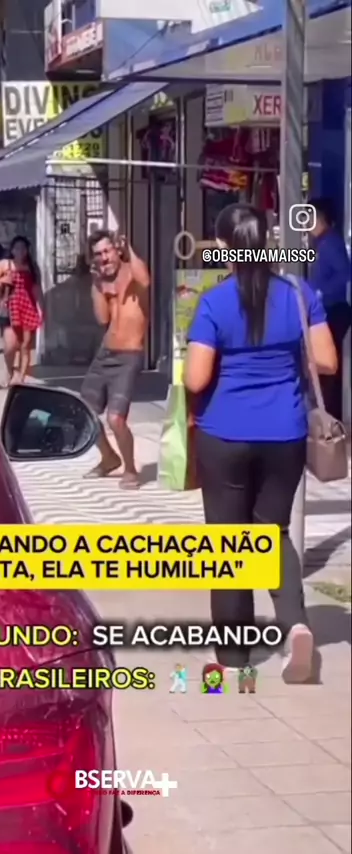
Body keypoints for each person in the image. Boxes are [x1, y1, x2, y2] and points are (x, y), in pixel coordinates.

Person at [184, 203, 338, 684]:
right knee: (272, 531)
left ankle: (234, 657)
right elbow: (327, 361)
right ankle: (295, 625)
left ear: (223, 246)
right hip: (285, 434)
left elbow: (195, 378)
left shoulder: (215, 302)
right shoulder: (299, 293)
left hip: (224, 434)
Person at [81, 230, 150, 490]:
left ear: (116, 250)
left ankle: (130, 470)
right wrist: (96, 283)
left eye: (107, 251)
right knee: (83, 412)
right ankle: (109, 457)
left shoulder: (133, 272)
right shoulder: (102, 282)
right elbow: (102, 319)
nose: (104, 257)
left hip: (129, 356)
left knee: (115, 419)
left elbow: (145, 280)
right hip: (105, 354)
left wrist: (129, 247)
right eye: (98, 254)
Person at [308, 198, 351, 421]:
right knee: (326, 369)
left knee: (328, 368)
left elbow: (345, 273)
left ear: (320, 218)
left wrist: (319, 292)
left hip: (333, 310)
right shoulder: (322, 242)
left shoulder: (330, 243)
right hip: (328, 310)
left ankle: (331, 419)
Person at [0, 236, 44, 385]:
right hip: (11, 306)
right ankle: (9, 371)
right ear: (12, 250)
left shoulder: (32, 267)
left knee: (25, 345)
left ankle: (21, 378)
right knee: (10, 346)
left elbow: (36, 289)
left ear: (27, 250)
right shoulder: (5, 264)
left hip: (28, 306)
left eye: (23, 248)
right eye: (17, 248)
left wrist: (41, 308)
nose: (20, 251)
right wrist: (2, 280)